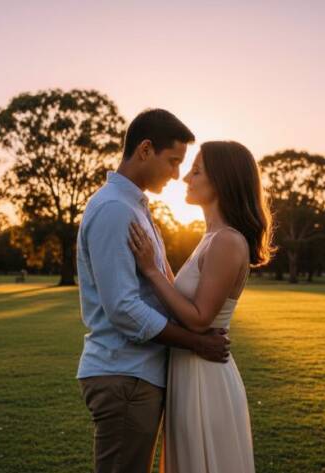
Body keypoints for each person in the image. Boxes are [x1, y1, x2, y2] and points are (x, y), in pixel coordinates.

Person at [76, 109, 231, 473]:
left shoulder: (134, 207)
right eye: (173, 161)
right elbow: (124, 308)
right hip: (124, 374)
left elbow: (156, 285)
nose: (177, 174)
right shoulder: (115, 209)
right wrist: (195, 341)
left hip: (136, 374)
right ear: (145, 150)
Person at [128, 140, 274, 473]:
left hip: (204, 375)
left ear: (221, 181)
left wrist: (151, 269)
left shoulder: (227, 241)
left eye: (196, 171)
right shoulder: (211, 238)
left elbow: (198, 319)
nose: (185, 178)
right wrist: (160, 262)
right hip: (189, 370)